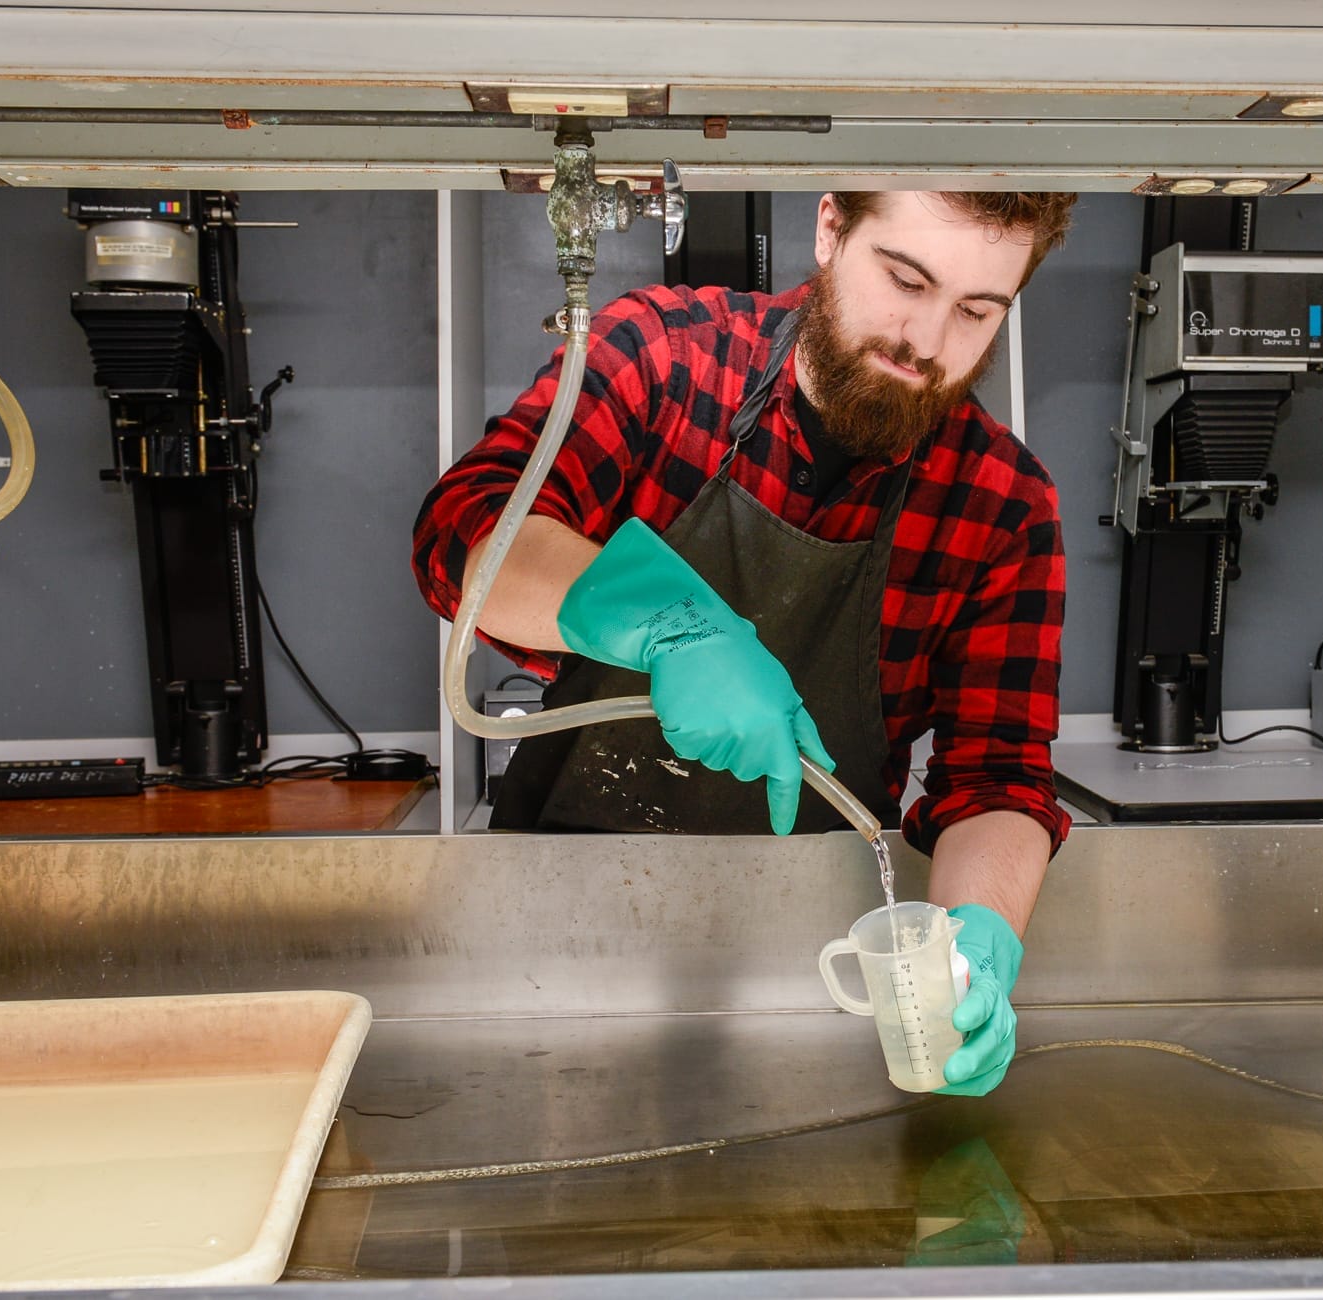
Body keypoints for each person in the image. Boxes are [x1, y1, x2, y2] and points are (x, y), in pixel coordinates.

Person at [413, 189, 1076, 1095]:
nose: (926, 341)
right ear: (832, 227)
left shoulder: (1003, 502)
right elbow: (467, 529)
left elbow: (996, 779)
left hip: (822, 968)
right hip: (560, 941)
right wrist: (668, 626)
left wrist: (979, 944)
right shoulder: (665, 357)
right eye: (906, 280)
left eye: (975, 311)